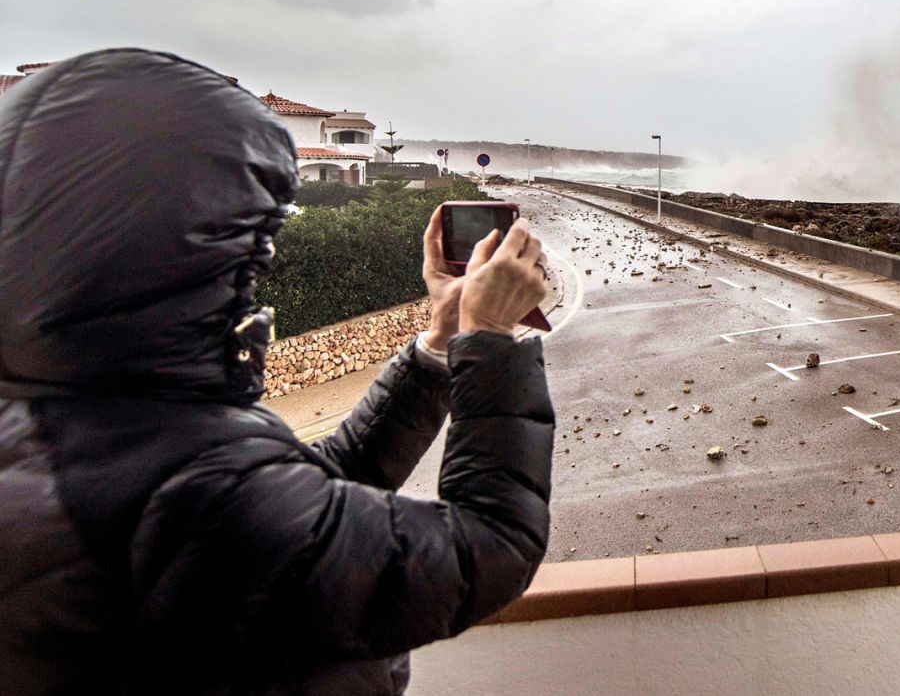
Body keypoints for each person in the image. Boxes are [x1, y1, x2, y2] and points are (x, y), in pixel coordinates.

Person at [0, 49, 555, 694]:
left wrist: (437, 344)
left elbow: (308, 496)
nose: (258, 277)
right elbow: (486, 546)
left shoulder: (70, 413)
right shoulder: (195, 489)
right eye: (253, 246)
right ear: (181, 251)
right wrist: (489, 340)